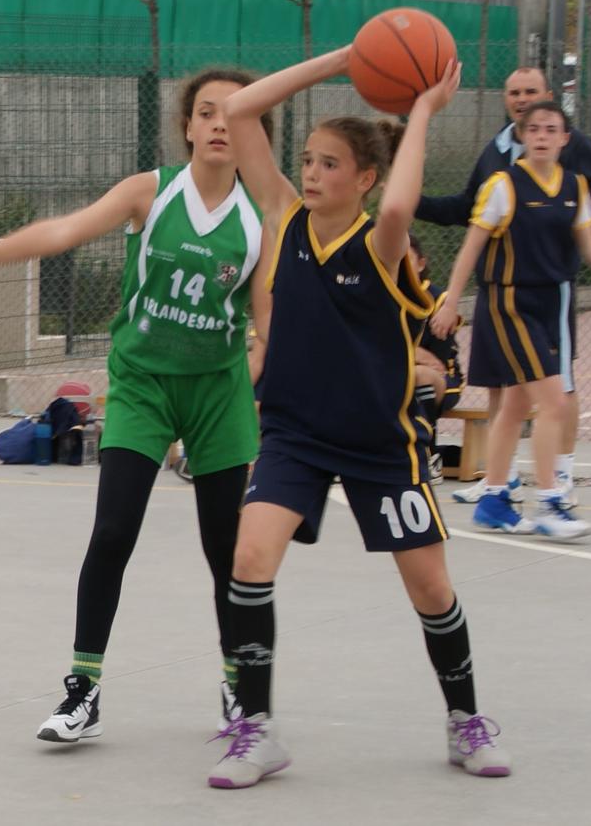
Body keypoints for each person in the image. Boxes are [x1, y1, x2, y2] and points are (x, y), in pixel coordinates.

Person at [0, 68, 275, 742]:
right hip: (142, 386)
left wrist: (270, 387)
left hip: (219, 394)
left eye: (234, 115)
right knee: (112, 533)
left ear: (256, 133)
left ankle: (238, 691)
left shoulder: (260, 219)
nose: (220, 124)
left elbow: (268, 325)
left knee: (227, 552)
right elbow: (63, 232)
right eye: (206, 112)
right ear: (187, 126)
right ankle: (82, 690)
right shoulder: (150, 193)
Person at [205, 48, 511, 790]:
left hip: (381, 442)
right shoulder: (283, 218)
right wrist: (347, 57)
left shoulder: (381, 243)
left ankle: (462, 719)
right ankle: (256, 729)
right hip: (295, 435)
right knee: (249, 560)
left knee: (430, 590)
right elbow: (242, 111)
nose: (310, 174)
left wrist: (424, 113)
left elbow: (403, 208)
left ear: (364, 178)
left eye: (329, 164)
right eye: (307, 160)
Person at [416, 67, 591, 508]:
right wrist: (408, 202)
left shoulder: (569, 149)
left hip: (550, 285)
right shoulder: (499, 156)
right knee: (503, 388)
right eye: (514, 92)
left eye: (531, 92)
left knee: (556, 390)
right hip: (501, 289)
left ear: (549, 100)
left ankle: (557, 481)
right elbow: (467, 210)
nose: (522, 98)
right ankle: (501, 480)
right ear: (508, 103)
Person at [408, 233, 465, 486]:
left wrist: (403, 353)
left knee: (420, 376)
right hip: (396, 372)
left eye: (405, 258)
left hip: (444, 379)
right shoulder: (378, 293)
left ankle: (428, 457)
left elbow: (437, 362)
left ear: (421, 263)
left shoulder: (440, 301)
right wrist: (413, 353)